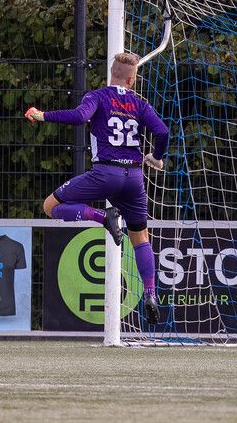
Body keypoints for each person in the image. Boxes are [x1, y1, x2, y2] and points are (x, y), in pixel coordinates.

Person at [25, 52, 169, 324]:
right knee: (141, 238)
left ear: (110, 73)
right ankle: (150, 293)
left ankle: (103, 218)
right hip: (135, 178)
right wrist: (157, 157)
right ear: (132, 79)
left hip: (105, 173)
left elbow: (80, 117)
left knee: (50, 207)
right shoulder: (140, 103)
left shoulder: (98, 96)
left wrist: (42, 115)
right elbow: (162, 132)